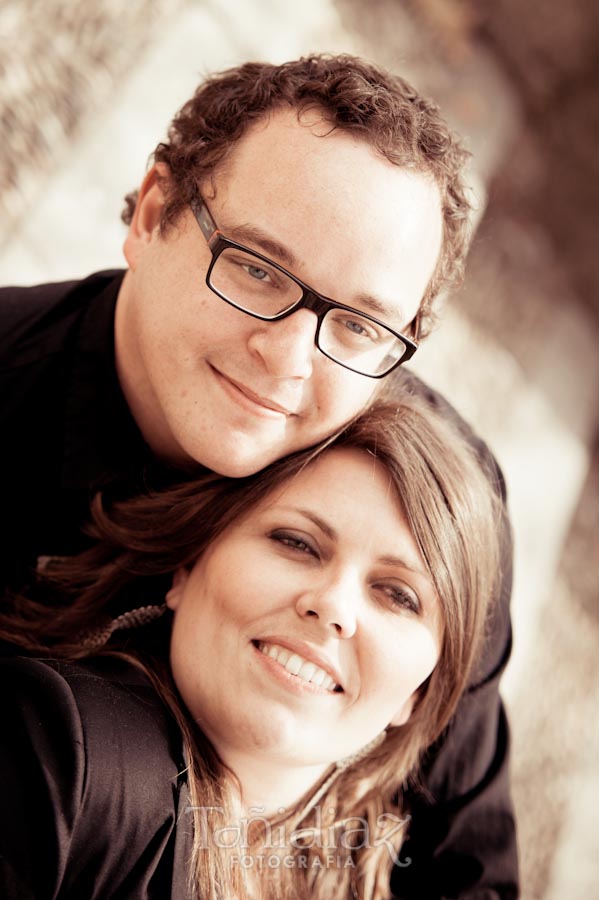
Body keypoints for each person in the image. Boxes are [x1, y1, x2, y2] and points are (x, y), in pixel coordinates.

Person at [0, 55, 518, 896]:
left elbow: (460, 865)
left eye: (356, 324)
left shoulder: (430, 505)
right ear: (153, 211)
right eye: (254, 268)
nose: (286, 357)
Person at [1, 395, 501, 900]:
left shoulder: (369, 871)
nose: (332, 606)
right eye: (296, 542)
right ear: (189, 562)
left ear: (417, 696)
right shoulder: (63, 755)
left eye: (398, 595)